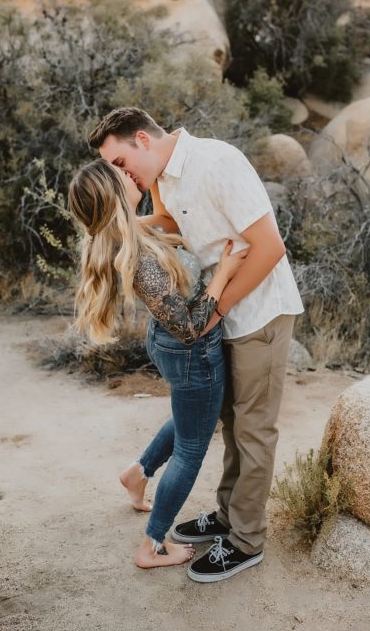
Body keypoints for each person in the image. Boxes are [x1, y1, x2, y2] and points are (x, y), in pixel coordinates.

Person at [89, 107, 303, 582]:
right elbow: (170, 220)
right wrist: (121, 229)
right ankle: (228, 516)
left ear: (143, 140)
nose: (122, 175)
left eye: (120, 163)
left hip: (258, 314)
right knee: (230, 422)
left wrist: (216, 310)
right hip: (217, 318)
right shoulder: (161, 177)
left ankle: (246, 540)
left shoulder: (218, 162)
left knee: (253, 431)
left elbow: (270, 248)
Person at [69, 159, 247, 568]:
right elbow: (189, 328)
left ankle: (139, 472)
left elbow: (166, 217)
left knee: (190, 419)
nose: (129, 174)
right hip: (190, 351)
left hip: (171, 346)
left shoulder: (133, 229)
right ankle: (152, 546)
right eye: (122, 175)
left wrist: (154, 176)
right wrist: (223, 274)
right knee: (191, 448)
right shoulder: (140, 260)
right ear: (115, 196)